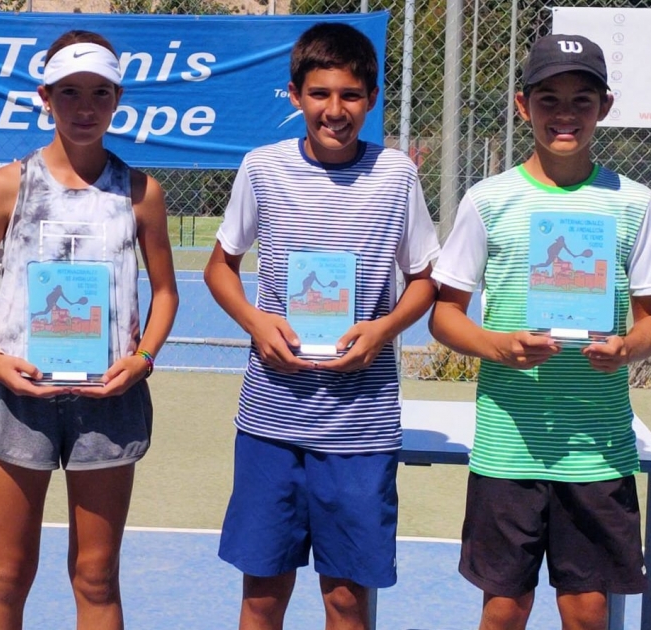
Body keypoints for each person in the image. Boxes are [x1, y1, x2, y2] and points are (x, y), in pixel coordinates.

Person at [203, 22, 440, 630]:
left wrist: (381, 330)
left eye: (350, 95)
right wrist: (258, 323)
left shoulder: (397, 175)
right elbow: (220, 269)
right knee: (262, 595)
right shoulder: (262, 168)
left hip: (361, 430)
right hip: (270, 422)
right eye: (319, 93)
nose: (335, 110)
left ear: (372, 98)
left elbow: (425, 281)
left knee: (345, 599)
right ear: (294, 95)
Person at [0, 30, 178, 630]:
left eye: (99, 93)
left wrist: (145, 357)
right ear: (44, 97)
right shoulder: (7, 186)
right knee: (6, 574)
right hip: (18, 401)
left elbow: (166, 293)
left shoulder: (141, 193)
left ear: (117, 99)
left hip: (110, 399)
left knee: (97, 576)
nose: (85, 107)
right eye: (70, 92)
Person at [429, 34, 651, 630]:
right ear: (524, 105)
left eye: (582, 100)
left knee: (587, 611)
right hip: (509, 446)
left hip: (596, 450)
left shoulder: (635, 203)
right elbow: (444, 314)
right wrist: (499, 345)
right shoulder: (488, 199)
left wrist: (628, 347)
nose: (565, 114)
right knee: (504, 608)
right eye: (549, 98)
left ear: (605, 107)